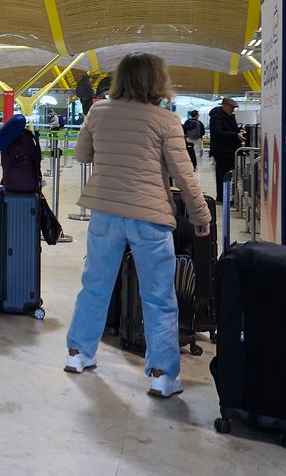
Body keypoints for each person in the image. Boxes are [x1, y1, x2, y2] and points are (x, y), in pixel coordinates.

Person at [64, 52, 211, 399]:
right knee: (159, 295)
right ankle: (161, 374)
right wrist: (201, 215)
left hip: (105, 212)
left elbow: (81, 154)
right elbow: (184, 175)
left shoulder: (98, 111)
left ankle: (78, 353)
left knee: (95, 285)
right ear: (157, 81)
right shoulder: (165, 121)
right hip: (150, 218)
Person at [208, 96, 245, 197]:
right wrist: (235, 135)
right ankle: (221, 197)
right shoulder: (216, 117)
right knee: (222, 175)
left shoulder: (229, 116)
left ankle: (227, 196)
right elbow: (218, 133)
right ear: (224, 106)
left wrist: (239, 131)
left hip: (229, 151)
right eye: (232, 108)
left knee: (228, 175)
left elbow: (231, 129)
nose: (233, 110)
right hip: (222, 152)